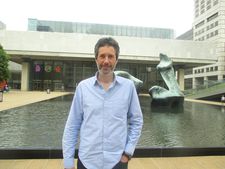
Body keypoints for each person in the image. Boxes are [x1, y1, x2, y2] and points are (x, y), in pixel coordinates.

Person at [62, 37, 143, 169]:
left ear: (116, 60)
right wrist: (68, 162)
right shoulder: (83, 87)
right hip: (87, 162)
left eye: (110, 56)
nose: (106, 61)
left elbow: (137, 121)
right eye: (102, 56)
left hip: (117, 162)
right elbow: (72, 125)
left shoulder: (128, 87)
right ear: (96, 59)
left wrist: (128, 153)